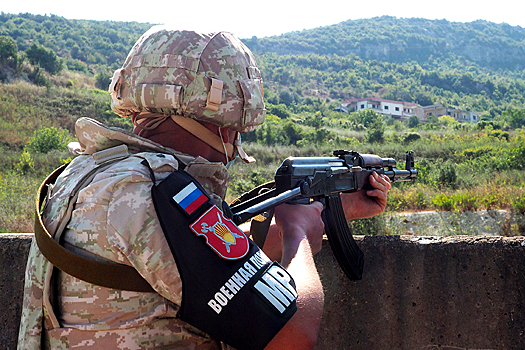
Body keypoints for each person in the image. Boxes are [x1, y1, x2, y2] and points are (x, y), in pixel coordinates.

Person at [18, 25, 391, 350]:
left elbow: (201, 256)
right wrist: (300, 231)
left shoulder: (88, 173)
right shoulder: (158, 192)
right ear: (227, 121)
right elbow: (291, 337)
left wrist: (330, 209)